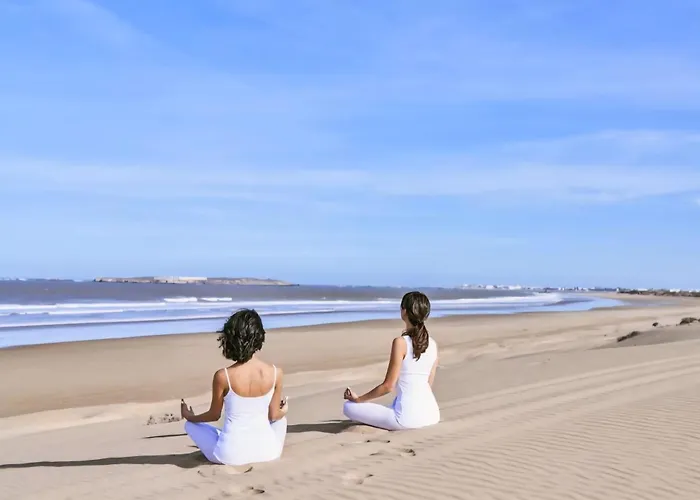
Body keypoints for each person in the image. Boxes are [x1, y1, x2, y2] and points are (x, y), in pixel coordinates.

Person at [181, 309, 287, 465]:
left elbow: (214, 415)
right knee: (281, 420)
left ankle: (227, 439)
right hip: (269, 452)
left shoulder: (223, 376)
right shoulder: (276, 373)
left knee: (190, 425)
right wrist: (284, 409)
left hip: (230, 456)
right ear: (259, 337)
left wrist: (190, 416)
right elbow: (274, 415)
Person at [343, 291, 440, 431]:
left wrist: (358, 400)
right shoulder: (433, 344)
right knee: (395, 403)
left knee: (348, 407)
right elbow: (427, 384)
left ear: (404, 311)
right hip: (432, 415)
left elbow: (388, 386)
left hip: (406, 420)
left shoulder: (401, 342)